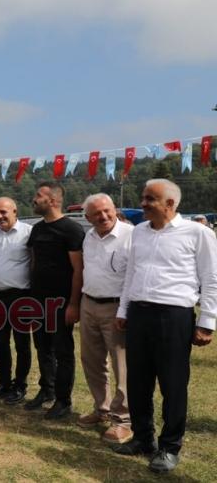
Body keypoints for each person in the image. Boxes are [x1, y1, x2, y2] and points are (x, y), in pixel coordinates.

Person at [113, 179, 216, 474]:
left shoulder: (197, 233)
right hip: (139, 314)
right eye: (144, 197)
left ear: (170, 204)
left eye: (149, 199)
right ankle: (143, 439)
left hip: (174, 316)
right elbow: (131, 273)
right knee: (138, 382)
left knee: (172, 384)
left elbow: (211, 279)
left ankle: (169, 447)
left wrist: (207, 322)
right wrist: (124, 309)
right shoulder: (140, 233)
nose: (143, 203)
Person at [25, 181, 84, 420]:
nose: (34, 199)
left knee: (63, 350)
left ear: (54, 200)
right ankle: (46, 391)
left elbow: (79, 270)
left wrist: (73, 303)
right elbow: (33, 263)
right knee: (42, 347)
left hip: (61, 302)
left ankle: (63, 400)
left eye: (39, 196)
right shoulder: (37, 230)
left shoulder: (71, 229)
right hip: (38, 300)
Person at [78, 193, 133, 444]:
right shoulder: (88, 237)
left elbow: (135, 276)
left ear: (114, 209)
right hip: (88, 303)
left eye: (107, 211)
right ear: (87, 217)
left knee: (122, 365)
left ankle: (123, 420)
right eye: (96, 214)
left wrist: (125, 309)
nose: (103, 217)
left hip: (116, 308)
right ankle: (102, 409)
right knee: (92, 361)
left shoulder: (131, 236)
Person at [0, 197, 33, 405]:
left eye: (4, 212)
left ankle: (20, 386)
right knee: (0, 342)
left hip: (21, 295)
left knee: (22, 344)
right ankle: (4, 383)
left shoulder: (28, 233)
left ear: (15, 211)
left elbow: (34, 261)